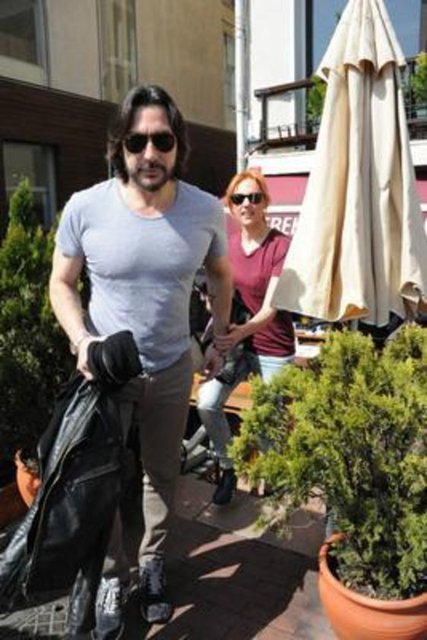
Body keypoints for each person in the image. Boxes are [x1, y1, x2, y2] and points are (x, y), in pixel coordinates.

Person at [49, 84, 232, 640]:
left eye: (162, 140)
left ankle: (151, 565)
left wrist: (219, 338)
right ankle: (112, 576)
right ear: (119, 146)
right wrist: (83, 340)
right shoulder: (86, 207)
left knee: (161, 473)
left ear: (178, 145)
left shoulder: (205, 210)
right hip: (106, 373)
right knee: (100, 480)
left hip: (173, 368)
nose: (149, 153)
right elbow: (61, 283)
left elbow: (221, 276)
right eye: (137, 141)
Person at [197, 169, 295, 506]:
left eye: (254, 197)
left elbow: (270, 310)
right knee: (207, 403)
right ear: (230, 205)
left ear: (265, 202)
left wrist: (236, 333)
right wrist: (213, 307)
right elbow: (221, 295)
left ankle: (275, 482)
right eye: (238, 198)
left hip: (274, 348)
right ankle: (228, 467)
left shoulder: (281, 245)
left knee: (268, 423)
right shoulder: (226, 246)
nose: (246, 204)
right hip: (237, 347)